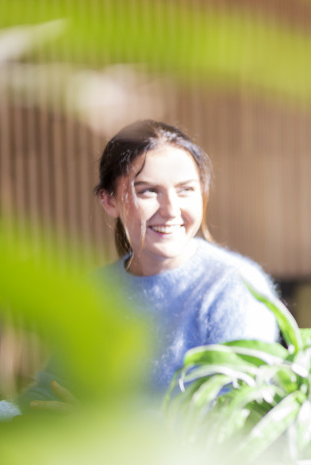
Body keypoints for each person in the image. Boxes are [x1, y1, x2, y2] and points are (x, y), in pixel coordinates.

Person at [20, 120, 278, 407]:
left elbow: (238, 415)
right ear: (109, 201)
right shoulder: (94, 290)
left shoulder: (235, 287)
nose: (170, 210)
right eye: (148, 191)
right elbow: (53, 388)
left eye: (185, 190)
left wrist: (96, 424)